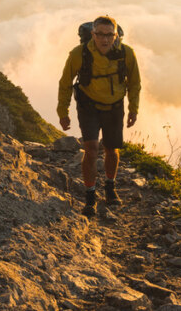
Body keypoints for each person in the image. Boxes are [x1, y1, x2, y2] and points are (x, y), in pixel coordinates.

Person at [57, 15, 141, 217]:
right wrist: (63, 112)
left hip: (115, 106)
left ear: (116, 35)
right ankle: (90, 195)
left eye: (109, 35)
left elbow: (134, 83)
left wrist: (133, 109)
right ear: (92, 34)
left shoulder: (126, 53)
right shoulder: (80, 54)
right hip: (88, 105)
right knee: (91, 149)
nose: (104, 39)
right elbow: (65, 82)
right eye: (100, 34)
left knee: (111, 149)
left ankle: (110, 186)